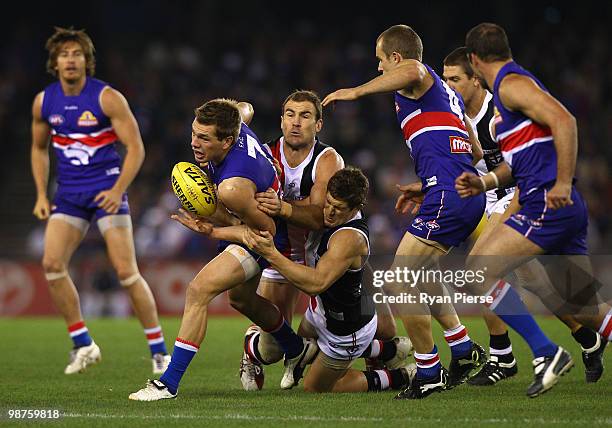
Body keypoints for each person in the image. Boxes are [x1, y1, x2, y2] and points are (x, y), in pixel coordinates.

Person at [322, 24, 487, 398]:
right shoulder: (447, 96)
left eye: (381, 61)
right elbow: (473, 152)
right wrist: (427, 181)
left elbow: (413, 69)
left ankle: (429, 373)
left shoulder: (417, 76)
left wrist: (356, 92)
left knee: (400, 281)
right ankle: (461, 348)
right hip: (458, 190)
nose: (379, 69)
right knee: (423, 273)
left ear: (395, 57)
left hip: (449, 193)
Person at [455, 22, 611, 397]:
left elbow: (565, 120)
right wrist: (487, 181)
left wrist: (561, 180)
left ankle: (545, 353)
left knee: (478, 272)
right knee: (588, 308)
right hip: (564, 207)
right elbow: (519, 162)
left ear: (475, 61)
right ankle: (576, 342)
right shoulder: (512, 92)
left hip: (546, 202)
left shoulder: (511, 84)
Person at [129, 98, 316, 401]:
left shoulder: (233, 187)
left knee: (199, 290)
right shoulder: (237, 122)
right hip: (244, 217)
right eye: (194, 133)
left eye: (204, 138)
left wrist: (214, 228)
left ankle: (169, 383)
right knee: (242, 300)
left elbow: (263, 231)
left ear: (228, 140)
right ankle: (297, 349)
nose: (194, 143)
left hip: (262, 235)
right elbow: (246, 107)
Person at [238, 90, 402, 391]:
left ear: (319, 124)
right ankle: (253, 349)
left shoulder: (327, 160)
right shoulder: (263, 155)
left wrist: (282, 207)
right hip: (283, 256)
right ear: (281, 120)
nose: (296, 123)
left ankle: (384, 355)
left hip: (328, 254)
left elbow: (321, 217)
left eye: (305, 116)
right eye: (290, 115)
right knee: (274, 347)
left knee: (386, 328)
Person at [31, 27, 169, 375]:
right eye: (64, 54)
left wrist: (118, 188)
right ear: (55, 62)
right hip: (69, 195)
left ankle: (160, 351)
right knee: (51, 264)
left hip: (106, 189)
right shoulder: (44, 102)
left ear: (86, 60)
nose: (71, 60)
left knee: (126, 271)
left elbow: (136, 148)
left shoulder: (107, 98)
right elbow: (38, 148)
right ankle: (84, 344)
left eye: (77, 54)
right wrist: (40, 194)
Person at [244, 167, 414, 393]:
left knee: (315, 387)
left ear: (355, 209)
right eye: (329, 203)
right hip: (320, 312)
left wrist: (271, 254)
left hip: (344, 331)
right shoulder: (330, 215)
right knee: (296, 349)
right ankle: (387, 351)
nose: (329, 213)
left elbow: (316, 284)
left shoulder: (348, 238)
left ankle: (399, 377)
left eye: (339, 209)